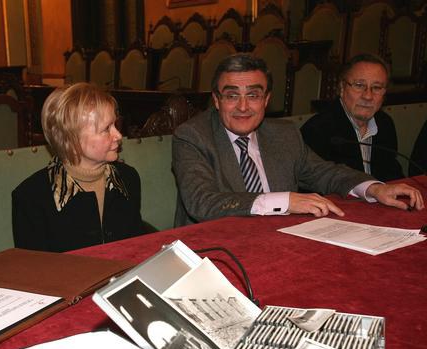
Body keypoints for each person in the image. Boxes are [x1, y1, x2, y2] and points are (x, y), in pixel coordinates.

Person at [172, 54, 424, 226]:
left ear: (266, 99)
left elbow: (325, 172)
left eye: (253, 95)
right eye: (231, 96)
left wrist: (373, 188)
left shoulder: (284, 134)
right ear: (216, 100)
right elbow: (202, 202)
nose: (243, 106)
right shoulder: (193, 136)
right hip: (219, 246)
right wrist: (285, 201)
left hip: (282, 241)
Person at [12, 82, 144, 252]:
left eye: (115, 125)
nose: (118, 135)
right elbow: (33, 266)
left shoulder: (128, 179)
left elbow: (136, 248)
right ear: (71, 139)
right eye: (106, 129)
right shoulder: (31, 198)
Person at [300, 54, 404, 182]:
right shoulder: (317, 129)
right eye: (359, 85)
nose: (368, 96)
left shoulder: (385, 124)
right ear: (342, 88)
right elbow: (312, 184)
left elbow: (392, 173)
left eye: (377, 88)